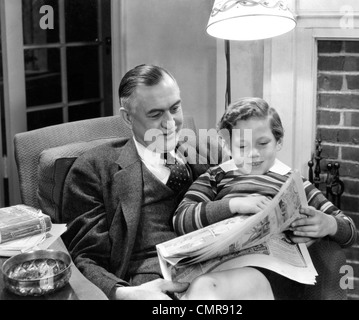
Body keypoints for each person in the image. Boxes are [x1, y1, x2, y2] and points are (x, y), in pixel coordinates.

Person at [61, 64, 273, 300]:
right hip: (151, 286)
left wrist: (320, 220)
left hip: (218, 272)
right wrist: (126, 293)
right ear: (127, 117)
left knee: (256, 282)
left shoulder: (209, 151)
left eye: (175, 108)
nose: (170, 122)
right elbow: (84, 258)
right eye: (155, 114)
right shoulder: (93, 169)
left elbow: (258, 185)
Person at [173, 97, 357, 300]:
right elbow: (181, 218)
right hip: (218, 264)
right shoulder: (216, 176)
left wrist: (329, 224)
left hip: (273, 271)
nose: (253, 153)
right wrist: (234, 205)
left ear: (278, 142)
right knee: (205, 287)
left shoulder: (293, 182)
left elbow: (349, 229)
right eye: (242, 146)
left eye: (263, 143)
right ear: (228, 145)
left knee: (207, 288)